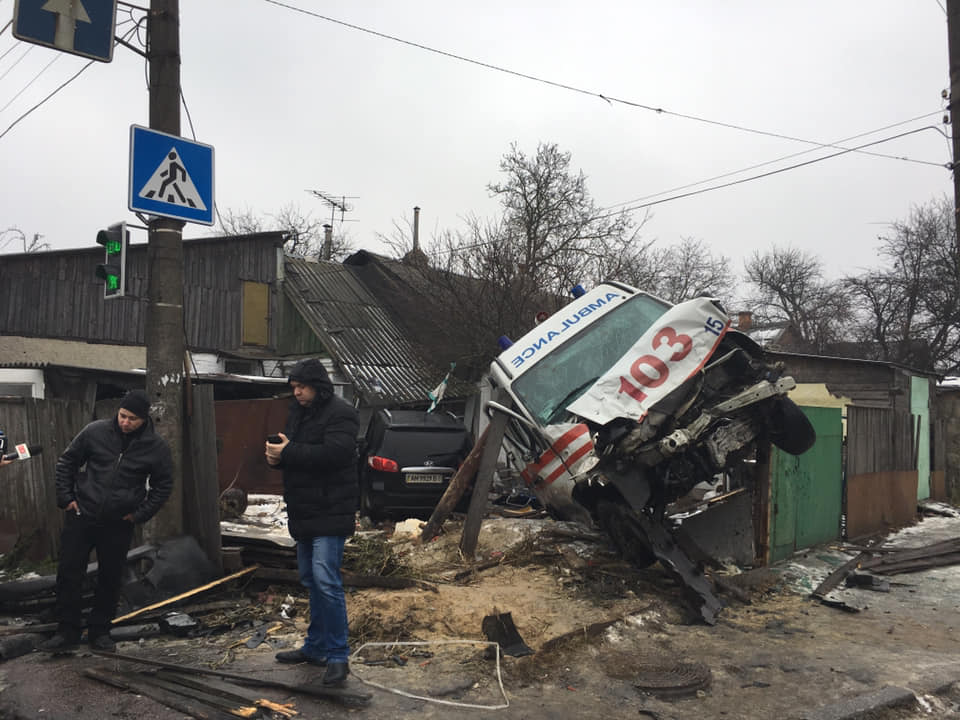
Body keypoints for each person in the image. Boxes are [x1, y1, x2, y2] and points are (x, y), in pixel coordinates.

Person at [40, 389, 173, 652]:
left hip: (118, 522)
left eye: (133, 419)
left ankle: (100, 632)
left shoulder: (156, 448)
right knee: (69, 573)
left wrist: (139, 514)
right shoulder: (95, 431)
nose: (125, 422)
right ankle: (66, 632)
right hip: (82, 514)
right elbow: (67, 461)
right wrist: (66, 498)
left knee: (110, 577)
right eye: (123, 415)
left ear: (144, 419)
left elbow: (163, 485)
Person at [265, 357, 359, 687]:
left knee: (326, 580)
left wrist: (287, 453)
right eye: (293, 388)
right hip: (305, 511)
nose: (297, 393)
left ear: (318, 387)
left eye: (301, 387)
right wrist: (277, 458)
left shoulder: (342, 413)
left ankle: (338, 656)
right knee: (311, 580)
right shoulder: (298, 413)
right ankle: (316, 647)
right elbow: (298, 455)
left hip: (331, 510)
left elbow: (336, 454)